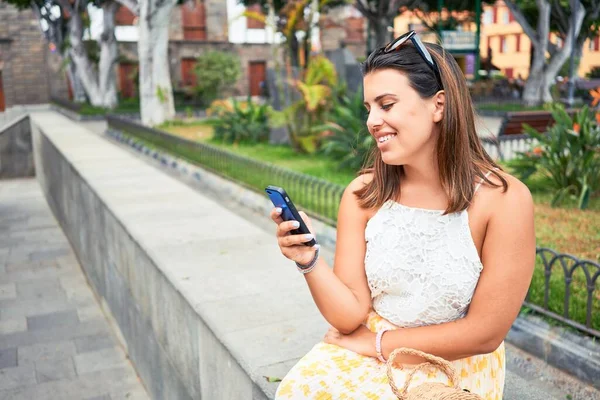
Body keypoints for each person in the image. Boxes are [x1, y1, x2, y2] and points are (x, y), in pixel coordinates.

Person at [269, 30, 535, 400]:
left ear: (438, 105)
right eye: (369, 109)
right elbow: (349, 316)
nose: (372, 121)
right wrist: (308, 260)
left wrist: (378, 344)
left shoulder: (504, 200)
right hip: (369, 343)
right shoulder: (363, 194)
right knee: (296, 391)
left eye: (387, 104)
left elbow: (486, 333)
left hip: (455, 359)